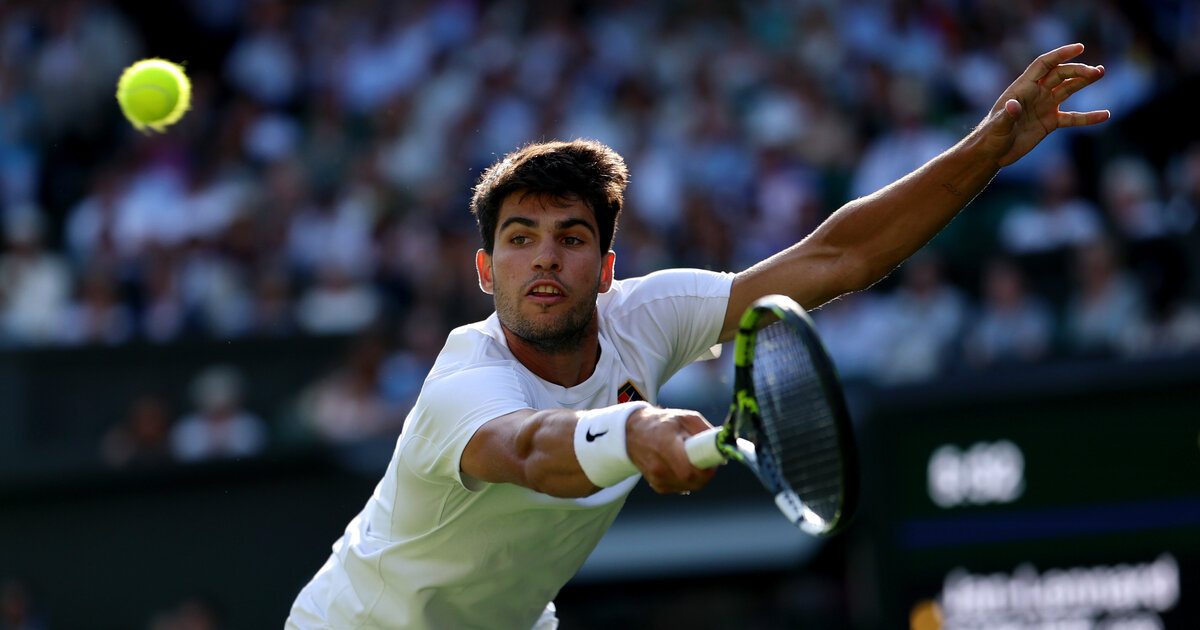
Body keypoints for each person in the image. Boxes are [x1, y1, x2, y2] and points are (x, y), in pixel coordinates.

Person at [286, 44, 1109, 630]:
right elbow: (536, 452)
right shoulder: (464, 380)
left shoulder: (648, 314)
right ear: (483, 269)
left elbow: (839, 256)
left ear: (605, 270)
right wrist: (637, 428)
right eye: (519, 238)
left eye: (571, 238)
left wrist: (990, 147)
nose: (544, 258)